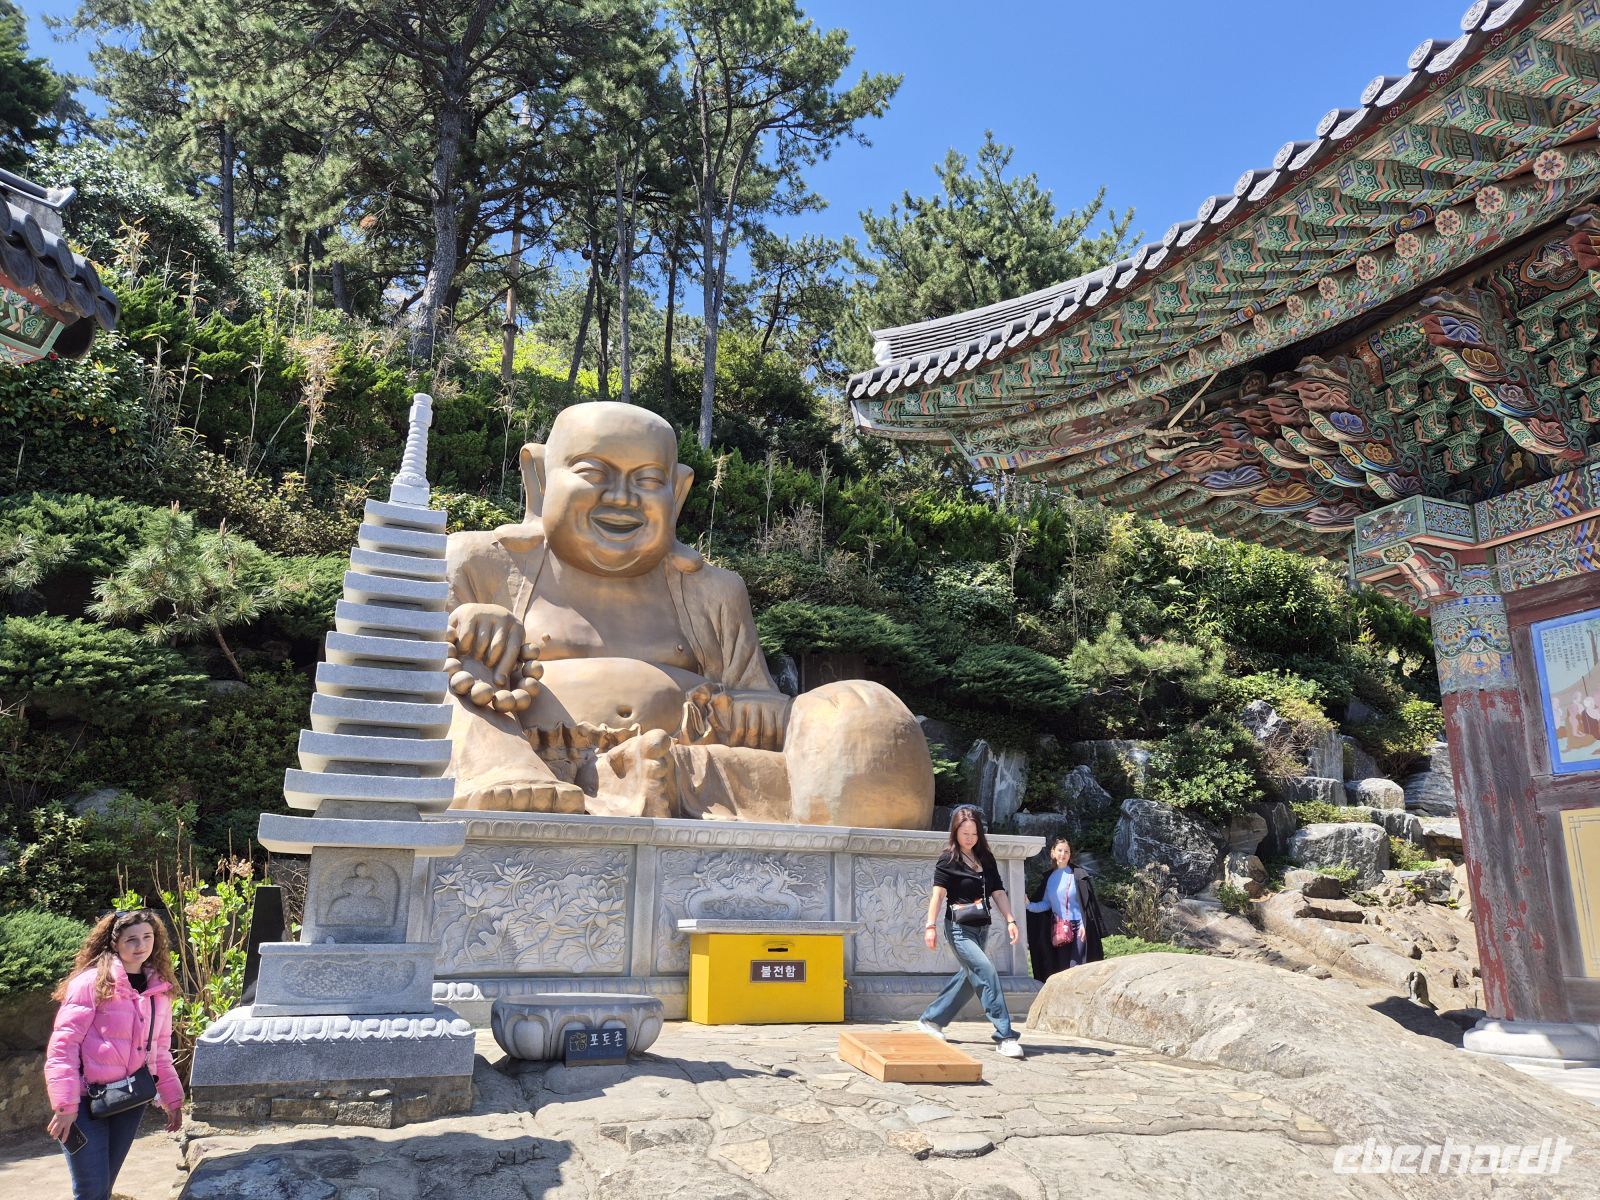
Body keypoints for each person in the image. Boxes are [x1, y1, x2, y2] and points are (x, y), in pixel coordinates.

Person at [44, 908, 184, 1200]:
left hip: (128, 1103)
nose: (141, 945)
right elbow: (63, 1047)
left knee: (104, 1188)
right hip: (82, 1105)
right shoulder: (90, 983)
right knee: (91, 1190)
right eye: (132, 939)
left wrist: (173, 1099)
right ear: (114, 942)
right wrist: (65, 1105)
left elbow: (159, 1051)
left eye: (147, 937)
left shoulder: (159, 991)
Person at [915, 806, 1025, 1057]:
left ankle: (931, 1020)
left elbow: (998, 891)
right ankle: (1005, 1035)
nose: (970, 838)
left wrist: (1011, 920)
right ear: (955, 832)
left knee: (969, 977)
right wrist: (929, 926)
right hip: (957, 928)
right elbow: (938, 894)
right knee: (985, 970)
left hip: (981, 928)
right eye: (965, 833)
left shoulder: (985, 858)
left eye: (974, 834)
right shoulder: (947, 859)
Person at [1025, 836, 1107, 982]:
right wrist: (1028, 905)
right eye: (1060, 850)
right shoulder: (1049, 878)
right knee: (1062, 970)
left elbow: (1087, 905)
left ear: (1070, 855)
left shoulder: (1079, 875)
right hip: (1060, 930)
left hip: (1079, 928)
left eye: (1066, 851)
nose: (1063, 854)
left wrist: (1083, 925)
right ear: (1053, 853)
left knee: (1077, 967)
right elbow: (1046, 904)